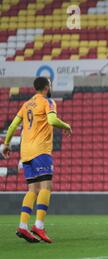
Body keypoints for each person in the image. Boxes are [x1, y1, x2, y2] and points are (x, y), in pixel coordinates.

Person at [0, 77, 72, 243]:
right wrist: (67, 126)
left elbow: (12, 126)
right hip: (41, 151)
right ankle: (39, 225)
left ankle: (23, 226)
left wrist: (6, 144)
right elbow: (52, 120)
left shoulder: (26, 105)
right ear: (46, 87)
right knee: (46, 186)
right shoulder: (48, 102)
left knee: (33, 190)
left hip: (25, 153)